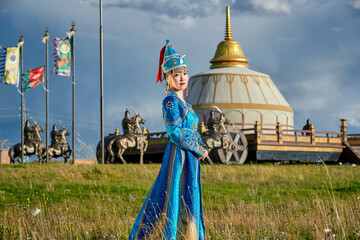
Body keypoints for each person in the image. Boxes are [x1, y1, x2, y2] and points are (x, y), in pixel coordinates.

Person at [129, 40, 208, 240]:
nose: (182, 78)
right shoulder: (170, 101)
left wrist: (201, 146)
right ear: (167, 77)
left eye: (184, 73)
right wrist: (198, 149)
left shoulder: (186, 103)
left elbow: (192, 130)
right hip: (179, 158)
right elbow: (175, 133)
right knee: (174, 195)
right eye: (176, 74)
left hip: (191, 157)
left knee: (190, 195)